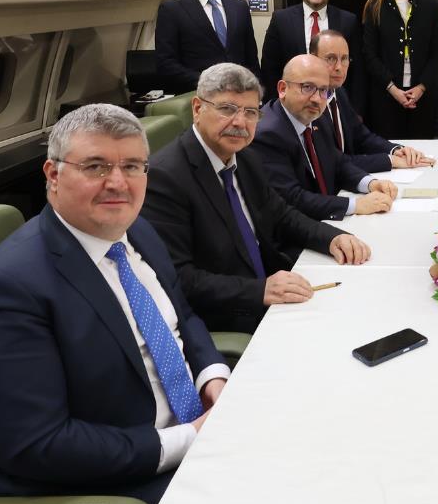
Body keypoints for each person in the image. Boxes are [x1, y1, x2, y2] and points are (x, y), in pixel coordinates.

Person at [0, 104, 228, 504]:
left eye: (132, 166)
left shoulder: (138, 232)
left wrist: (212, 379)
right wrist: (190, 438)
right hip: (98, 484)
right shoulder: (3, 289)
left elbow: (181, 317)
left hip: (191, 432)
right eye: (96, 167)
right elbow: (37, 444)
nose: (118, 182)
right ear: (53, 175)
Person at [142, 63, 371, 334]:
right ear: (197, 108)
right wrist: (260, 290)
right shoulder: (165, 177)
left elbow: (281, 214)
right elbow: (179, 277)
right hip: (229, 315)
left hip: (275, 287)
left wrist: (332, 237)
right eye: (227, 109)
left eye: (250, 112)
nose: (240, 123)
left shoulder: (245, 156)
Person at [249, 54, 399, 221]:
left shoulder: (316, 117)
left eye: (323, 90)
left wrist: (370, 183)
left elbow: (337, 162)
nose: (316, 99)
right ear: (283, 89)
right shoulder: (267, 135)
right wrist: (354, 205)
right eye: (307, 87)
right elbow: (292, 198)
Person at [311, 29, 433, 172]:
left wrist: (396, 150)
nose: (339, 67)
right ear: (312, 58)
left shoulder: (339, 92)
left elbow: (362, 137)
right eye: (331, 58)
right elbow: (333, 162)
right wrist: (390, 161)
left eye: (344, 58)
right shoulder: (309, 103)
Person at [361, 0, 438, 139]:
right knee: (392, 151)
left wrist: (421, 87)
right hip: (386, 97)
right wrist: (392, 88)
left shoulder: (429, 6)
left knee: (423, 151)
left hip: (422, 98)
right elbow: (369, 55)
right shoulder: (375, 7)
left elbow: (437, 53)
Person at [260, 0, 363, 109]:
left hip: (336, 106)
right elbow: (269, 68)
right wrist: (276, 107)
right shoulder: (281, 20)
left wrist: (356, 111)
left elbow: (358, 71)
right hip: (293, 106)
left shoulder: (348, 21)